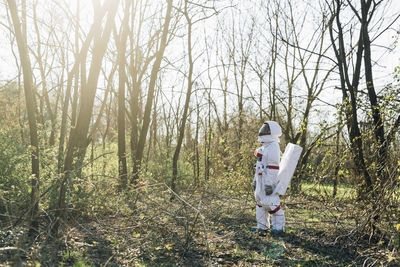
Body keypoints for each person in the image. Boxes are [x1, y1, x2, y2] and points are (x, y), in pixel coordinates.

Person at [252, 121, 285, 235]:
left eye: (266, 130)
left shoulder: (273, 146)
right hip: (261, 179)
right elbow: (259, 166)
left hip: (268, 180)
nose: (263, 131)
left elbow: (273, 168)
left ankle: (278, 228)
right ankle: (262, 226)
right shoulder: (264, 147)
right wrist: (255, 181)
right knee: (260, 203)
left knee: (272, 204)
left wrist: (269, 184)